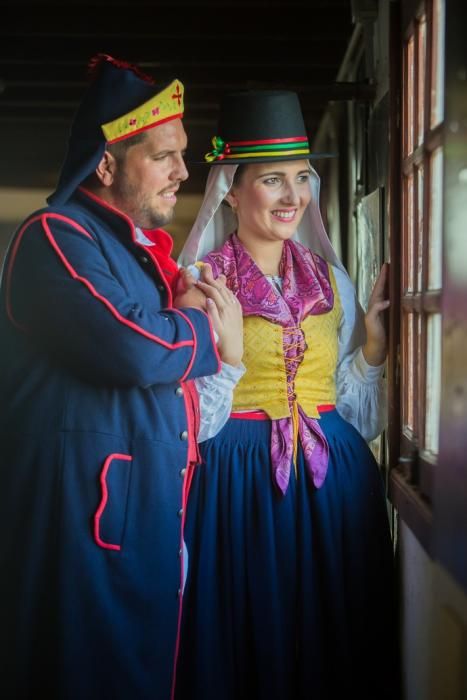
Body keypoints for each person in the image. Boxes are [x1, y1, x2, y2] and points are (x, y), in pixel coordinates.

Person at [0, 54, 243, 700]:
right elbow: (134, 347)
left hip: (139, 525)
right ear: (105, 163)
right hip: (79, 535)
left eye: (183, 155)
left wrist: (186, 330)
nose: (182, 172)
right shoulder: (53, 235)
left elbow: (165, 369)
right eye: (163, 156)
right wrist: (203, 332)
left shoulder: (132, 254)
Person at [175, 90, 400, 699]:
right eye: (272, 180)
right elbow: (188, 419)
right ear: (232, 188)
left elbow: (356, 415)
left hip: (337, 488)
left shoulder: (335, 280)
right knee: (254, 634)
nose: (292, 196)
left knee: (338, 636)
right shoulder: (200, 284)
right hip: (240, 486)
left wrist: (373, 347)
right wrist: (231, 362)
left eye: (301, 178)